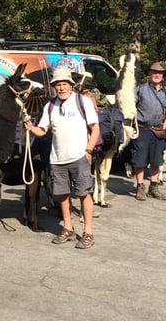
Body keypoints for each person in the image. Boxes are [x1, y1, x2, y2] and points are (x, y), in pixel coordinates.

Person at [24, 68, 100, 249]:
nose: (61, 88)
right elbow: (42, 130)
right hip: (57, 159)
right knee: (62, 195)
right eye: (58, 85)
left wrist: (88, 150)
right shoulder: (50, 106)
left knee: (84, 194)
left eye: (64, 84)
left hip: (79, 156)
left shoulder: (83, 102)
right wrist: (30, 127)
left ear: (71, 85)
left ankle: (88, 232)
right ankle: (68, 228)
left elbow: (95, 128)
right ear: (53, 87)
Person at [131, 62, 166, 201]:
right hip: (142, 129)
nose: (157, 75)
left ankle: (153, 187)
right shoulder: (140, 89)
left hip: (158, 129)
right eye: (154, 72)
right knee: (140, 160)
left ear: (162, 76)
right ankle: (140, 187)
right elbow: (131, 107)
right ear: (149, 74)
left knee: (156, 160)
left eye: (160, 73)